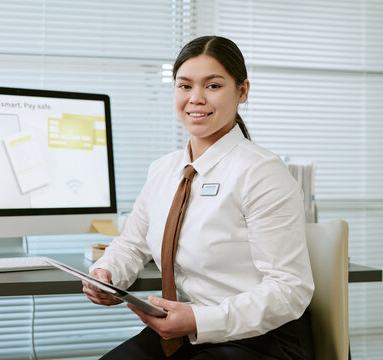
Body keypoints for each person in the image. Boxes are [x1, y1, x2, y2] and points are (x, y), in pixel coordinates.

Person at [83, 35, 315, 360]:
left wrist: (199, 319)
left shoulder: (261, 172)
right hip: (181, 332)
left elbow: (290, 288)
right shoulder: (163, 170)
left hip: (256, 338)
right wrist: (107, 274)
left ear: (242, 91)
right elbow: (132, 244)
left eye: (213, 86)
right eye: (184, 85)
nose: (196, 98)